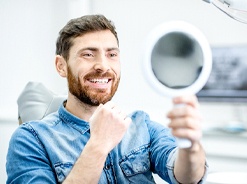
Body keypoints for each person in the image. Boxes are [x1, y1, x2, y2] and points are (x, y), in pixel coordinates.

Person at [6, 14, 208, 184]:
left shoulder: (141, 125)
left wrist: (190, 145)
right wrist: (98, 146)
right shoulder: (30, 140)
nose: (103, 65)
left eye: (111, 54)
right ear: (61, 66)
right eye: (88, 54)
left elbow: (186, 176)